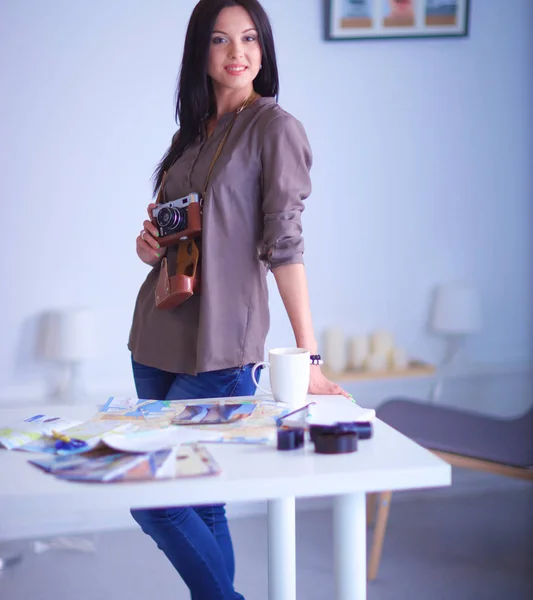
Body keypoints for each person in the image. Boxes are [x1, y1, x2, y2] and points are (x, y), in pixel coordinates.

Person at [127, 1, 349, 598]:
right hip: (156, 335)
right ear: (201, 52)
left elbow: (285, 245)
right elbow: (179, 237)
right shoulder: (191, 134)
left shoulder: (275, 129)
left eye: (249, 39)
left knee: (154, 498)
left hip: (223, 345)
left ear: (264, 49)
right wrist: (149, 246)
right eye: (221, 41)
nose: (237, 54)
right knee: (201, 502)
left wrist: (309, 356)